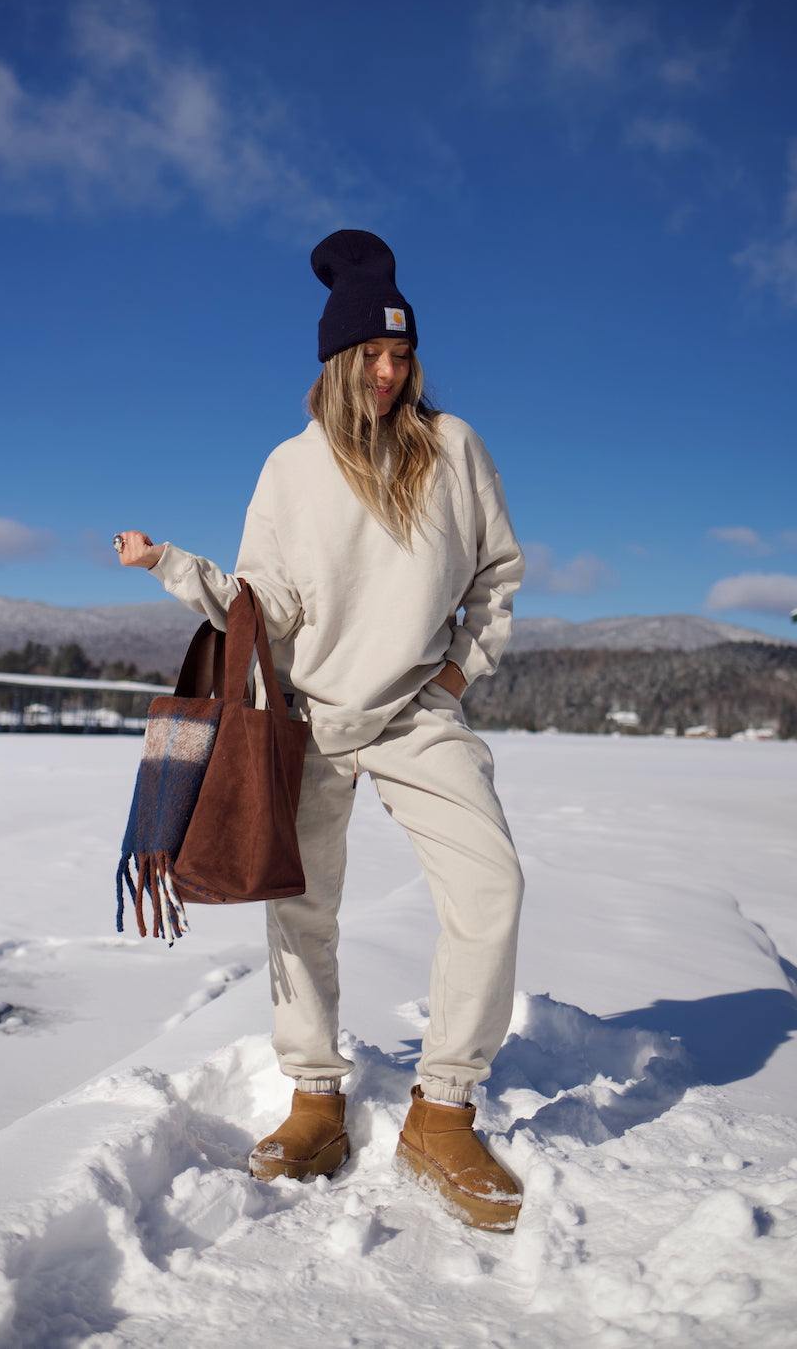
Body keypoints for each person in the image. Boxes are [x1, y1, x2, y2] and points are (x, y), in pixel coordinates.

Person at [117, 229, 526, 1232]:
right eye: (371, 357)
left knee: (491, 884)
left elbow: (496, 582)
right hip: (309, 720)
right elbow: (264, 606)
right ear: (337, 362)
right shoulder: (290, 470)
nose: (389, 372)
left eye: (402, 354)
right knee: (300, 910)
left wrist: (463, 667)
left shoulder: (455, 447)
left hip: (417, 714)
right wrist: (171, 563)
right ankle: (314, 1097)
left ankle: (443, 1107)